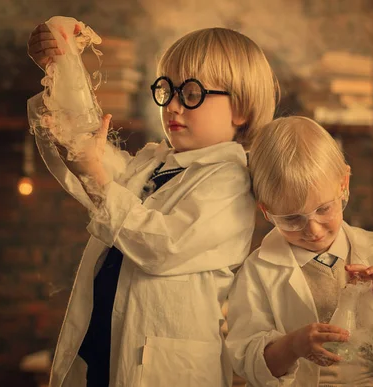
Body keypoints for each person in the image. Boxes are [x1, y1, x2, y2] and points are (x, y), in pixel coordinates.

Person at [27, 24, 278, 387]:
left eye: (192, 93)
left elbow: (162, 246)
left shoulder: (232, 182)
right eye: (167, 89)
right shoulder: (155, 163)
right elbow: (86, 145)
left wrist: (98, 177)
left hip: (162, 367)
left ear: (240, 108)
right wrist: (60, 65)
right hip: (106, 349)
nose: (173, 105)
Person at [226, 116, 373, 387]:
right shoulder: (258, 272)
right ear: (267, 211)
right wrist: (292, 346)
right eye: (292, 219)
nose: (313, 230)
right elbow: (248, 363)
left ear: (343, 184)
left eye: (324, 209)